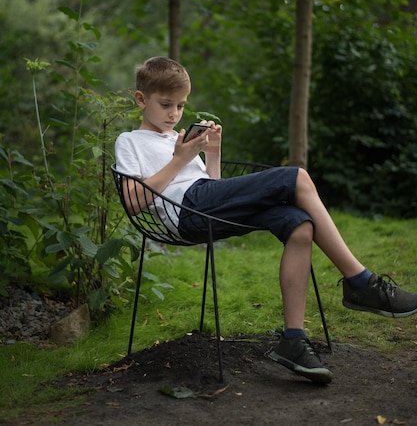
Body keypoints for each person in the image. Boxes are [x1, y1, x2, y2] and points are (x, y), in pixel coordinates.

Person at [115, 56, 417, 385]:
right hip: (185, 212)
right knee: (297, 178)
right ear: (141, 100)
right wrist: (180, 159)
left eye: (181, 106)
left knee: (299, 223)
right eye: (166, 105)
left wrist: (210, 154)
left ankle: (293, 340)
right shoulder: (130, 142)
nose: (174, 114)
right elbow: (133, 203)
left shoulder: (179, 140)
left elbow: (213, 188)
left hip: (205, 205)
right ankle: (361, 282)